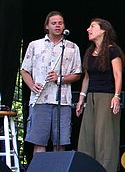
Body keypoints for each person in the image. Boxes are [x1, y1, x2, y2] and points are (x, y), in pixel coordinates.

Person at [21, 11, 82, 155]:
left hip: (63, 101)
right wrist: (32, 85)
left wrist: (60, 78)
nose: (57, 26)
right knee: (39, 142)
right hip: (40, 100)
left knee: (60, 143)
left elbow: (78, 74)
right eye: (54, 23)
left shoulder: (72, 47)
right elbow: (24, 70)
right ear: (47, 26)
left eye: (60, 23)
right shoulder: (35, 45)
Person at [76, 18, 124, 172]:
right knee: (87, 136)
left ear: (104, 30)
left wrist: (117, 96)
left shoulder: (113, 50)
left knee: (105, 138)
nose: (88, 29)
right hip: (91, 97)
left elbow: (118, 74)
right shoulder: (90, 52)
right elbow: (87, 77)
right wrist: (81, 99)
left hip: (107, 96)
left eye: (92, 27)